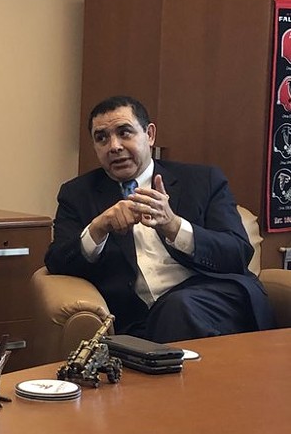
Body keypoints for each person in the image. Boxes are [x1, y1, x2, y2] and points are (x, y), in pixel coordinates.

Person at [45, 95, 275, 343]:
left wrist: (174, 226)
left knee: (178, 306)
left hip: (216, 299)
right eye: (102, 138)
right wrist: (97, 230)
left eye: (125, 133)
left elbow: (238, 253)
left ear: (150, 135)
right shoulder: (77, 194)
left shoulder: (203, 181)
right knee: (167, 316)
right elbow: (58, 261)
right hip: (141, 319)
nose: (114, 146)